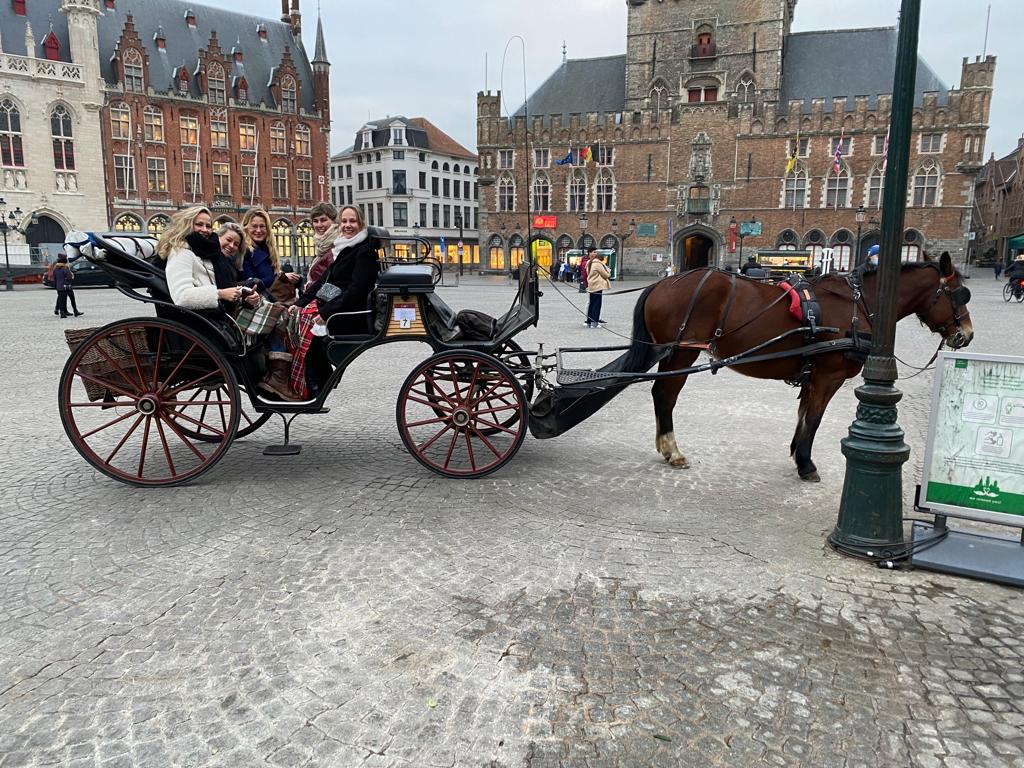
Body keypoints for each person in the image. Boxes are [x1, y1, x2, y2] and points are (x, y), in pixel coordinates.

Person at [289, 205, 381, 397]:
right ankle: (311, 379)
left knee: (306, 325)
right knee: (299, 318)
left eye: (352, 221)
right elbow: (324, 279)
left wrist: (326, 313)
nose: (348, 225)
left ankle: (314, 383)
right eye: (345, 221)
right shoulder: (345, 246)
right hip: (336, 303)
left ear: (361, 223)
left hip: (350, 312)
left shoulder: (363, 251)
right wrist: (300, 302)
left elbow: (357, 290)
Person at [239, 208, 301, 296]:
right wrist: (281, 278)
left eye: (262, 226)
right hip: (256, 302)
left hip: (273, 298)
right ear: (246, 227)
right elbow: (251, 284)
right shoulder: (243, 251)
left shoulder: (269, 250)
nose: (258, 230)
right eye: (254, 226)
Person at [305, 201, 339, 293]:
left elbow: (335, 283)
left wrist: (311, 287)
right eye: (315, 221)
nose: (319, 225)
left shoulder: (338, 245)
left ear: (333, 221)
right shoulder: (321, 247)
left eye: (323, 220)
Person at [52, 253, 83, 318]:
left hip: (59, 287)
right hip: (67, 287)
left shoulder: (55, 269)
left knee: (61, 300)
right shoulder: (65, 268)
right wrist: (72, 277)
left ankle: (62, 312)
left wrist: (56, 286)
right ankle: (75, 311)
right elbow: (69, 277)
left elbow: (54, 278)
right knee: (72, 299)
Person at [585, 251, 611, 327]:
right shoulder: (598, 264)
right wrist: (609, 272)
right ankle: (594, 322)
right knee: (597, 304)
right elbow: (605, 275)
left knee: (592, 304)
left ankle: (589, 322)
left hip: (592, 285)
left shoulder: (590, 263)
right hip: (597, 286)